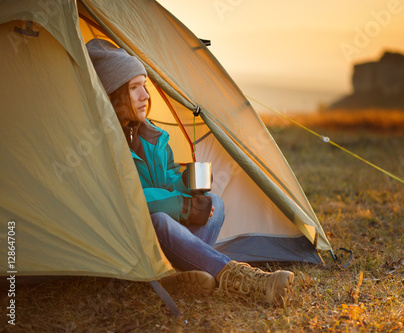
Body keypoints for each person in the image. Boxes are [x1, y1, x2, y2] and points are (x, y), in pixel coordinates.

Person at [86, 38, 294, 306]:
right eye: (134, 88)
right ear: (113, 94)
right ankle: (243, 279)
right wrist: (182, 207)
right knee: (161, 219)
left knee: (215, 204)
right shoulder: (98, 140)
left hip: (163, 240)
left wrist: (185, 184)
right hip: (130, 242)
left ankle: (179, 276)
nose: (146, 96)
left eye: (145, 86)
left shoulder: (152, 136)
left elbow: (168, 177)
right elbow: (124, 196)